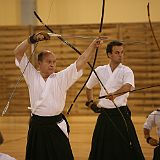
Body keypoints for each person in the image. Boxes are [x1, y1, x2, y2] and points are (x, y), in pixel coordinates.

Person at [14, 31, 104, 160]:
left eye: (54, 62)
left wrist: (93, 45)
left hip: (56, 125)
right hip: (37, 126)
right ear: (39, 63)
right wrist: (32, 39)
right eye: (48, 61)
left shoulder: (61, 78)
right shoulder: (31, 75)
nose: (52, 64)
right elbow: (18, 52)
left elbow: (81, 61)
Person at [85, 40, 145, 160]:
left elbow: (127, 86)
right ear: (109, 54)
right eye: (117, 52)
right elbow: (88, 87)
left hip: (120, 113)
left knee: (126, 145)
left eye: (122, 52)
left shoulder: (126, 70)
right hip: (105, 115)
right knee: (100, 147)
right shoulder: (100, 70)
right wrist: (91, 103)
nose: (120, 55)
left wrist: (115, 94)